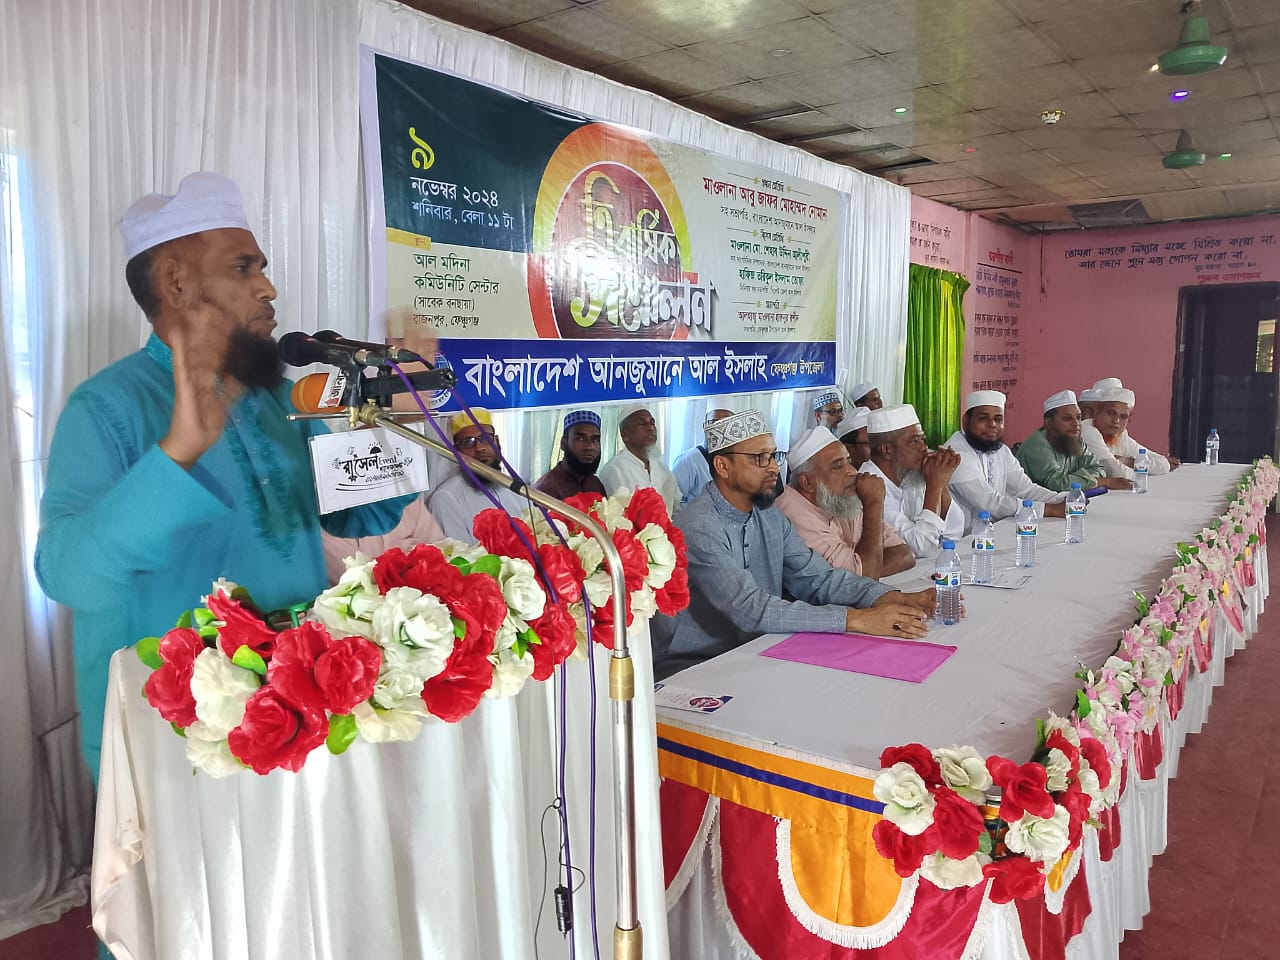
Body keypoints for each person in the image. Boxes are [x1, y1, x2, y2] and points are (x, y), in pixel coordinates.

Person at [34, 172, 410, 778]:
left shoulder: (278, 399)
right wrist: (178, 452)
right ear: (176, 281)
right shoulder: (105, 406)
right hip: (176, 743)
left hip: (297, 715)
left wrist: (394, 419)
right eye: (243, 268)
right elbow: (67, 574)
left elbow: (364, 511)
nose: (269, 288)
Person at [652, 410, 935, 678]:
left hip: (756, 650)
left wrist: (891, 597)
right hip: (696, 665)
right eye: (760, 458)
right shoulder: (700, 526)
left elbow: (818, 578)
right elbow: (752, 610)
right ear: (723, 466)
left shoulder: (767, 514)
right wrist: (857, 619)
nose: (774, 467)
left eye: (773, 456)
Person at [776, 427, 915, 579]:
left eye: (848, 461)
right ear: (807, 482)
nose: (852, 471)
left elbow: (905, 554)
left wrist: (863, 568)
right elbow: (862, 579)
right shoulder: (794, 514)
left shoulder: (836, 499)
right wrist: (873, 504)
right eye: (837, 466)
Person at [945, 390, 1066, 533]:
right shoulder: (955, 454)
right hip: (961, 539)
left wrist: (1061, 498)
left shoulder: (1001, 451)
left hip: (992, 531)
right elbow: (989, 503)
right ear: (965, 421)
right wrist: (1050, 509)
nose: (992, 424)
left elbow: (1025, 489)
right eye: (983, 418)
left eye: (998, 419)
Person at [859, 403, 964, 558]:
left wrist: (940, 482)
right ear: (887, 450)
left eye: (923, 439)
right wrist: (935, 485)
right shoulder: (868, 486)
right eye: (914, 441)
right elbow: (922, 547)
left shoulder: (910, 476)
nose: (924, 447)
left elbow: (954, 532)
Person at [429, 408, 529, 541]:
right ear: (456, 452)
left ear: (497, 442)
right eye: (468, 442)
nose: (479, 448)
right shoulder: (446, 499)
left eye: (486, 438)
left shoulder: (516, 487)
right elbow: (459, 552)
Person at [1015, 390, 1130, 491]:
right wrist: (1104, 482)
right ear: (1048, 423)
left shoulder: (1074, 440)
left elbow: (1099, 468)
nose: (1076, 423)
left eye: (1078, 418)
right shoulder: (1037, 446)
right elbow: (1058, 484)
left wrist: (1073, 479)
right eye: (1067, 418)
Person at [1081, 385, 1179, 480]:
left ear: (1129, 420)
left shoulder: (1121, 436)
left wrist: (1130, 462)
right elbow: (1114, 471)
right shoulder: (1087, 430)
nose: (1116, 421)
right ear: (1098, 412)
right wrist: (1140, 474)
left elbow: (1163, 463)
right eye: (1111, 413)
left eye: (1123, 417)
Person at [598, 403, 680, 514]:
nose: (651, 428)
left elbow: (677, 507)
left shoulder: (662, 467)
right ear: (624, 434)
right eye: (642, 424)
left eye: (652, 423)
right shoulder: (614, 470)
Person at [534, 409, 607, 500]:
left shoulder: (595, 483)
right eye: (580, 439)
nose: (589, 446)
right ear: (563, 443)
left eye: (595, 440)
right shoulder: (547, 490)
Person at [673, 407, 733, 506]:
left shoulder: (739, 458)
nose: (720, 427)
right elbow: (673, 501)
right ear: (705, 426)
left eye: (726, 422)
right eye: (714, 422)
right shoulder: (689, 460)